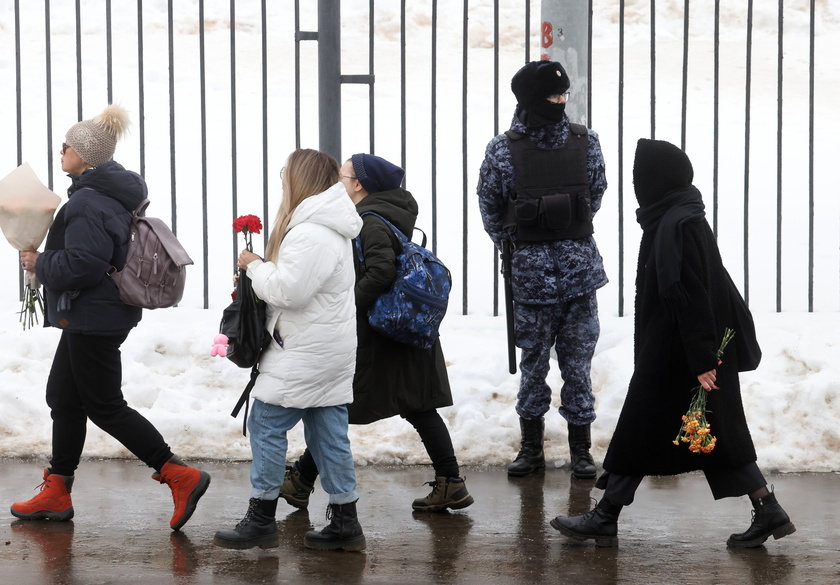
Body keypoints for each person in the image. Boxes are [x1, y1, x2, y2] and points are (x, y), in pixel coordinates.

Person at [550, 138, 796, 548]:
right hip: (684, 349)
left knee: (641, 428)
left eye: (639, 179)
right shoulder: (681, 216)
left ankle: (605, 515)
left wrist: (702, 358)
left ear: (655, 182)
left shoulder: (675, 226)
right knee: (711, 435)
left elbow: (693, 294)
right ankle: (767, 508)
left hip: (678, 353)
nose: (636, 187)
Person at [11, 104, 210, 531]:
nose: (60, 150)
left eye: (68, 145)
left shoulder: (87, 201)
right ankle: (57, 490)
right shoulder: (108, 194)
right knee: (64, 398)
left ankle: (179, 474)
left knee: (104, 405)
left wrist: (39, 263)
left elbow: (84, 263)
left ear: (85, 156)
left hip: (94, 317)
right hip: (96, 314)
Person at [280, 153, 474, 513]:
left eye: (343, 175)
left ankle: (301, 481)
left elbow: (381, 272)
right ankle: (451, 482)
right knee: (413, 406)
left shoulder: (370, 221)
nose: (337, 180)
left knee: (340, 407)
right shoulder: (386, 218)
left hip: (384, 337)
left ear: (358, 185)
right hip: (400, 334)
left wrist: (345, 306)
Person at [212, 148, 366, 551]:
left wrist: (254, 267)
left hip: (303, 350)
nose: (282, 180)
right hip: (326, 348)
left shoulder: (311, 231)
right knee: (328, 432)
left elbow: (290, 291)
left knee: (265, 422)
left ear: (300, 180)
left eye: (286, 173)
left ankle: (261, 517)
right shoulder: (327, 226)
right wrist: (264, 268)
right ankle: (346, 520)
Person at [477, 60, 608, 479]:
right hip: (531, 278)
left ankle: (581, 451)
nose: (561, 102)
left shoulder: (586, 143)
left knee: (578, 365)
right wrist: (519, 245)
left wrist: (564, 233)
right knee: (533, 365)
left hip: (579, 277)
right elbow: (490, 208)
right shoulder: (502, 150)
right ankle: (530, 448)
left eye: (564, 95)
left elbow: (596, 193)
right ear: (532, 100)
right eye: (553, 96)